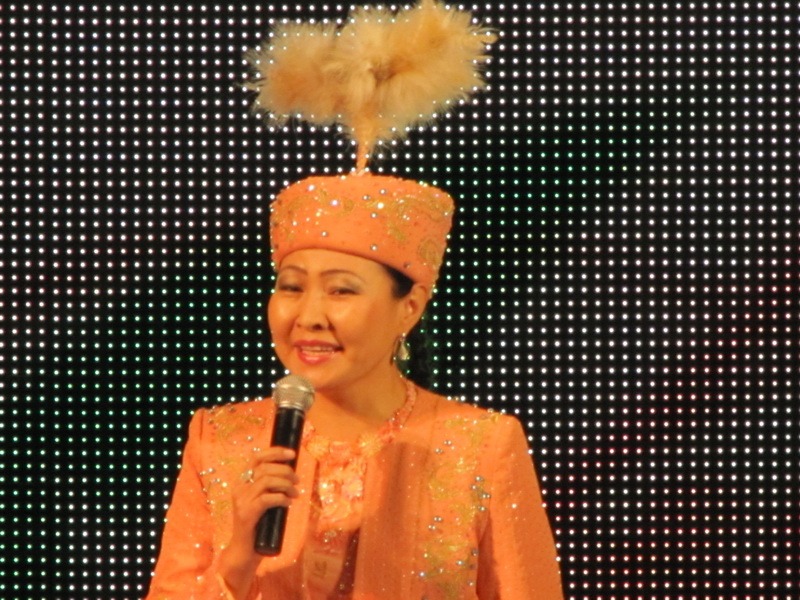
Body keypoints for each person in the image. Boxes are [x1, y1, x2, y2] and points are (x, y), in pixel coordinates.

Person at [146, 2, 563, 598]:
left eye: (341, 290)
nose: (309, 315)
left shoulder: (480, 445)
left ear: (409, 308)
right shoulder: (222, 439)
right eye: (292, 286)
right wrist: (236, 560)